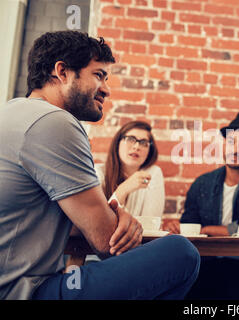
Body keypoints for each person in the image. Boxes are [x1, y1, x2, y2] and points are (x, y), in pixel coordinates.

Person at [0, 30, 199, 300]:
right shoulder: (53, 122)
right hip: (22, 292)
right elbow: (107, 241)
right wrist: (115, 219)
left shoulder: (12, 112)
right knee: (180, 253)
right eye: (98, 75)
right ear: (63, 72)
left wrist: (107, 216)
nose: (106, 88)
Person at [166, 112, 239, 300]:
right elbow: (189, 227)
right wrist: (177, 228)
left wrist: (208, 230)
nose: (235, 150)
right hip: (206, 263)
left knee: (238, 288)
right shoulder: (202, 183)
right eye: (231, 142)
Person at [96, 120, 165, 218]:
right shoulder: (98, 173)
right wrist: (123, 189)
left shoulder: (153, 173)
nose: (137, 147)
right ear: (117, 143)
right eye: (130, 139)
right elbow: (98, 222)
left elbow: (151, 223)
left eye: (144, 142)